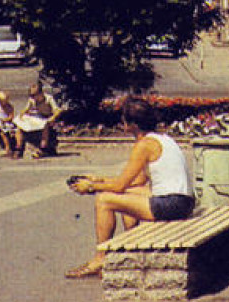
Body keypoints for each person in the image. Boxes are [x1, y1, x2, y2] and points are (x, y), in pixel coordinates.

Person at [64, 97, 196, 279]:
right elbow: (136, 181)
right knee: (125, 195)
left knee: (104, 200)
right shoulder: (162, 139)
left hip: (171, 205)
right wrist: (99, 179)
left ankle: (100, 259)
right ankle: (131, 244)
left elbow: (119, 186)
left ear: (131, 125)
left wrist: (92, 187)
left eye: (124, 120)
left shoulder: (144, 145)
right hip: (183, 202)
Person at [16, 80, 64, 158]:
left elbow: (57, 110)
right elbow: (26, 109)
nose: (33, 97)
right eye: (31, 95)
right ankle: (19, 147)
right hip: (37, 118)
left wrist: (53, 118)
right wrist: (22, 115)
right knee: (19, 126)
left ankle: (43, 148)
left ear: (40, 93)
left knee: (45, 126)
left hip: (47, 118)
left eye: (34, 95)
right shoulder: (32, 100)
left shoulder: (48, 98)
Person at [0, 90, 22, 158]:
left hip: (6, 122)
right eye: (1, 100)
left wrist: (5, 120)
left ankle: (15, 146)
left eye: (4, 100)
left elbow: (11, 117)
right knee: (0, 131)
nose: (3, 103)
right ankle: (7, 147)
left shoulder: (9, 107)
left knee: (12, 131)